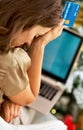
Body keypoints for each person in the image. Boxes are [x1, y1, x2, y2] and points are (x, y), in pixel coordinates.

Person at [0, 0, 64, 126]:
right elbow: (30, 97)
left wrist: (8, 99)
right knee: (58, 125)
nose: (29, 43)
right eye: (36, 35)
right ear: (25, 21)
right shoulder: (10, 59)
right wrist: (39, 44)